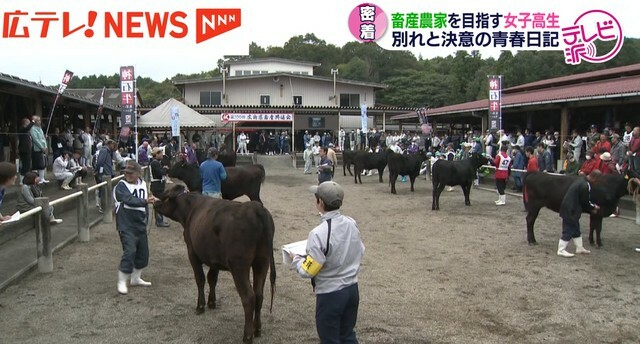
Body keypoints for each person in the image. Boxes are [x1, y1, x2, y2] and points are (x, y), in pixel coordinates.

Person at [290, 181, 365, 344]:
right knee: (348, 335)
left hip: (331, 293)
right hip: (352, 289)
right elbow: (361, 250)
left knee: (329, 339)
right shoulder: (351, 222)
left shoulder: (318, 233)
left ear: (320, 203)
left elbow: (309, 270)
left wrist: (296, 260)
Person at [114, 161, 156, 294]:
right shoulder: (121, 186)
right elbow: (129, 199)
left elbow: (144, 203)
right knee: (130, 251)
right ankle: (121, 281)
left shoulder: (143, 184)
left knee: (143, 254)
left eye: (131, 173)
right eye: (126, 173)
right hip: (126, 224)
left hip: (140, 224)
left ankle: (136, 278)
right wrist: (145, 201)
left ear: (139, 174)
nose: (128, 175)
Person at [557, 170, 601, 258]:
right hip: (571, 210)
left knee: (576, 228)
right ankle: (561, 250)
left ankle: (579, 247)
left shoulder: (580, 180)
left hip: (568, 208)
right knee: (569, 229)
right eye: (597, 180)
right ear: (594, 178)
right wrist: (593, 207)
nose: (597, 183)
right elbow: (585, 202)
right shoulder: (585, 186)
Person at [94, 139, 116, 213]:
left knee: (107, 191)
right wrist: (96, 170)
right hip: (104, 173)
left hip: (108, 172)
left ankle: (106, 206)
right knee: (102, 191)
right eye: (113, 144)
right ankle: (102, 206)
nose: (114, 146)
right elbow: (100, 162)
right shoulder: (104, 151)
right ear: (109, 144)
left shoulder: (109, 151)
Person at [149, 147, 170, 227]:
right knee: (158, 202)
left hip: (158, 185)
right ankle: (159, 221)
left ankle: (160, 220)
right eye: (160, 153)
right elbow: (160, 172)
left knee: (159, 202)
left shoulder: (156, 162)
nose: (162, 155)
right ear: (156, 154)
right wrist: (165, 170)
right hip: (157, 185)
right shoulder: (155, 163)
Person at [30, 115, 49, 183]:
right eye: (38, 120)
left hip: (43, 148)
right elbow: (35, 139)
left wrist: (46, 146)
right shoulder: (32, 129)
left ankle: (42, 178)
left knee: (42, 164)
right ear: (34, 121)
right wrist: (41, 147)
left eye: (39, 120)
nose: (39, 122)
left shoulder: (40, 128)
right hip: (36, 149)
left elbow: (43, 138)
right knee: (37, 164)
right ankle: (36, 178)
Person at [18, 118, 34, 185]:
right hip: (24, 150)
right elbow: (27, 128)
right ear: (25, 123)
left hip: (27, 150)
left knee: (27, 165)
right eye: (28, 122)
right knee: (25, 165)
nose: (29, 123)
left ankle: (25, 179)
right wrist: (33, 122)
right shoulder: (22, 129)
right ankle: (21, 180)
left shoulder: (26, 131)